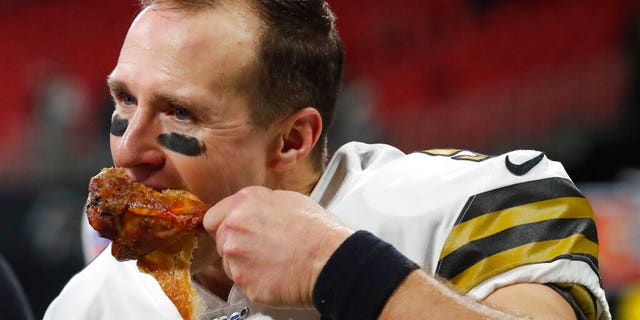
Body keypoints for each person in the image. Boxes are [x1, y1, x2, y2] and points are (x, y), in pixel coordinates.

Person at [44, 0, 610, 319]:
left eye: (179, 114)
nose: (128, 149)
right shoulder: (88, 306)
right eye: (124, 99)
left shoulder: (469, 204)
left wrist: (336, 267)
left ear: (293, 139)